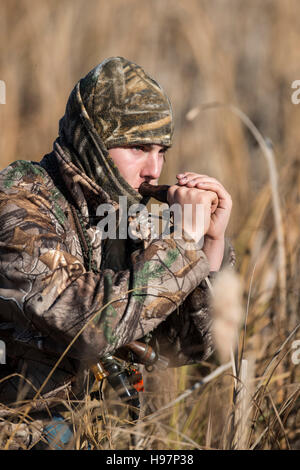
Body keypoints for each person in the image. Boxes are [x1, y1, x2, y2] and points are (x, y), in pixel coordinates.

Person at [0, 57, 234, 449]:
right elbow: (88, 324)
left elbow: (182, 346)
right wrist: (180, 245)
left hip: (100, 436)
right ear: (91, 142)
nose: (154, 170)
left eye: (161, 150)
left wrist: (208, 244)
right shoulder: (18, 207)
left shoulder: (126, 214)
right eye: (139, 147)